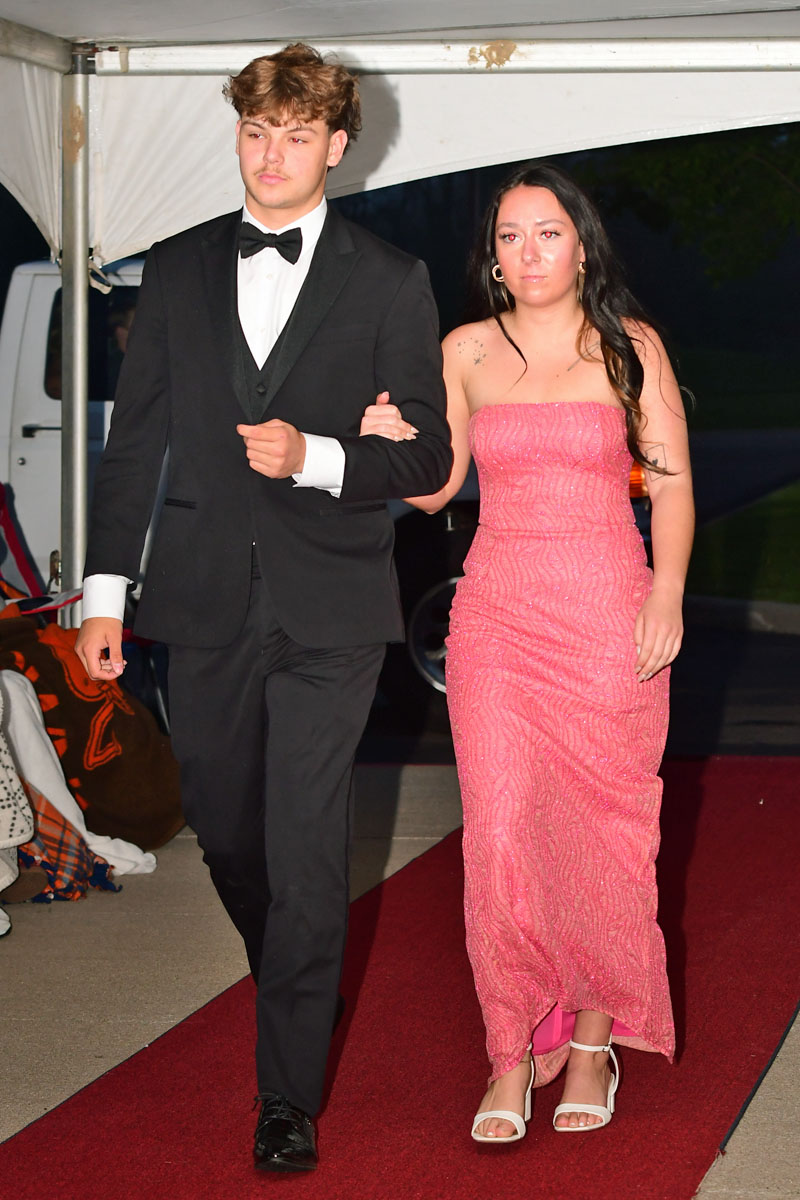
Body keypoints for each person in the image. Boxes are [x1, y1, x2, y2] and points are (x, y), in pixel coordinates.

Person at [75, 43, 451, 1173]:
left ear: (337, 146)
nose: (272, 155)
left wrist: (320, 454)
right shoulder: (178, 268)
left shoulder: (390, 279)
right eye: (256, 132)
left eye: (296, 136)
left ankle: (284, 1093)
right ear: (237, 136)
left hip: (331, 604)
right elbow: (131, 441)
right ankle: (299, 968)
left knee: (304, 843)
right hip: (197, 600)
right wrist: (104, 594)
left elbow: (425, 454)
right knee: (229, 831)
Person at [360, 162, 693, 1140]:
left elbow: (668, 485)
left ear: (580, 245)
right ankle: (510, 1053)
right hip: (498, 625)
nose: (526, 252)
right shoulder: (464, 351)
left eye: (544, 233)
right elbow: (434, 489)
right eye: (507, 237)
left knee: (602, 841)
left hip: (606, 615)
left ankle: (589, 1044)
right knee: (501, 841)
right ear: (491, 258)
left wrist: (666, 592)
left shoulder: (630, 347)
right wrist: (389, 446)